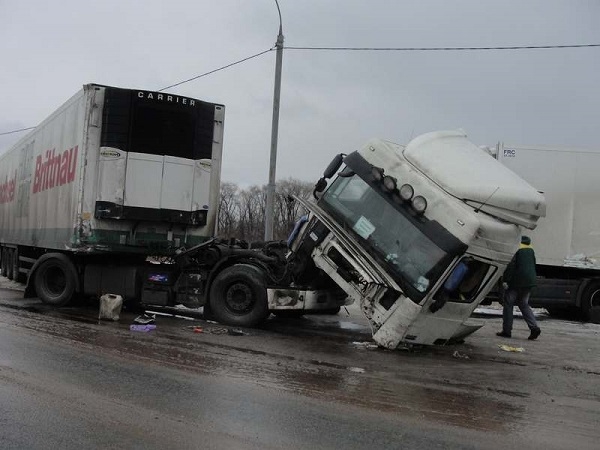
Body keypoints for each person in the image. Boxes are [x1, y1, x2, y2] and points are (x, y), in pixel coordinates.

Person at [497, 236, 541, 340]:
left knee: (508, 304)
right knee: (524, 304)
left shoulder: (516, 249)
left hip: (517, 281)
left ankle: (506, 331)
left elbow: (511, 266)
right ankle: (534, 327)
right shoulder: (530, 249)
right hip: (529, 281)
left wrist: (506, 280)